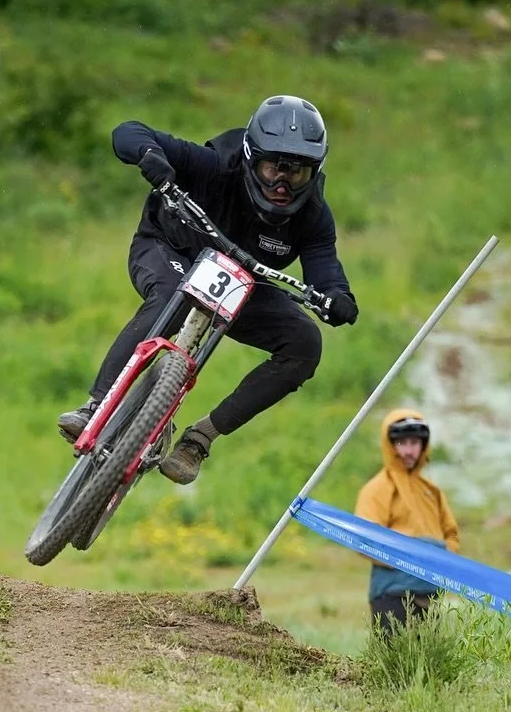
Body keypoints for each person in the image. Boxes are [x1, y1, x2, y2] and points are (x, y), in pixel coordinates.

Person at [57, 95, 359, 485]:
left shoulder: (313, 216)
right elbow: (128, 131)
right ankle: (96, 406)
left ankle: (199, 440)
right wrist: (150, 156)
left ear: (315, 172)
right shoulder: (216, 165)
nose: (282, 185)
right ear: (251, 158)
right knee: (175, 296)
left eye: (297, 174)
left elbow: (326, 271)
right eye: (273, 169)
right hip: (169, 249)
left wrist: (337, 299)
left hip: (241, 282)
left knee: (304, 343)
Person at [355, 408, 460, 632]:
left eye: (414, 443)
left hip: (430, 598)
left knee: (432, 655)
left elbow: (451, 534)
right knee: (395, 656)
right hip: (392, 597)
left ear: (424, 445)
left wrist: (440, 560)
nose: (409, 450)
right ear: (390, 445)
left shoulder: (432, 491)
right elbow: (363, 539)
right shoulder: (377, 489)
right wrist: (407, 559)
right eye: (402, 443)